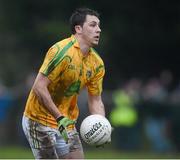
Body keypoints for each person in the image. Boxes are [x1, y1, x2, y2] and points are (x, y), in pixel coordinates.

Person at [22, 7, 108, 159]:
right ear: (78, 29)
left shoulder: (97, 63)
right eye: (93, 25)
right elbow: (39, 87)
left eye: (99, 25)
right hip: (39, 120)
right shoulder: (61, 51)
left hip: (67, 123)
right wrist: (59, 117)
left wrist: (102, 125)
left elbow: (95, 100)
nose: (99, 30)